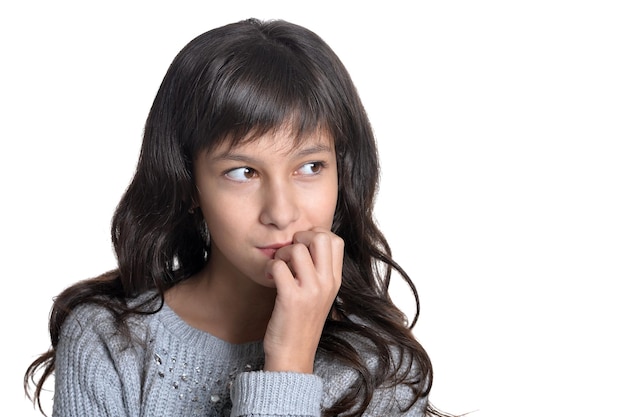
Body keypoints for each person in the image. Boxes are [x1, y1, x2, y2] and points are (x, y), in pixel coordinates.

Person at [24, 18, 452, 417]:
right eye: (243, 173)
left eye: (310, 167)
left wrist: (290, 360)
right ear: (189, 182)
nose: (281, 213)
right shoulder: (109, 341)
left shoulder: (381, 369)